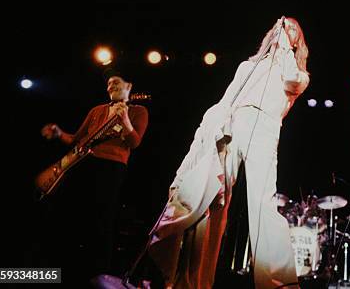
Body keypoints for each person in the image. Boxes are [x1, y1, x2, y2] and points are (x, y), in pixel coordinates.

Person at [149, 17, 309, 289]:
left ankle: (276, 284)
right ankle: (195, 282)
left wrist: (284, 50)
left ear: (297, 41)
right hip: (234, 124)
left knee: (262, 204)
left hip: (265, 129)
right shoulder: (248, 66)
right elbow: (226, 101)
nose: (286, 31)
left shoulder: (296, 72)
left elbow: (292, 82)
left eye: (292, 29)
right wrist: (207, 132)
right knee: (215, 199)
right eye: (282, 27)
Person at [40, 72, 149, 283]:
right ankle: (65, 268)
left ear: (129, 85)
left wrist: (124, 118)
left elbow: (134, 143)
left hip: (111, 168)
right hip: (84, 165)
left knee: (102, 219)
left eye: (116, 82)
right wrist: (58, 133)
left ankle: (98, 273)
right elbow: (76, 139)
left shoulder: (138, 111)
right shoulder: (97, 110)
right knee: (74, 215)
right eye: (109, 84)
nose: (111, 87)